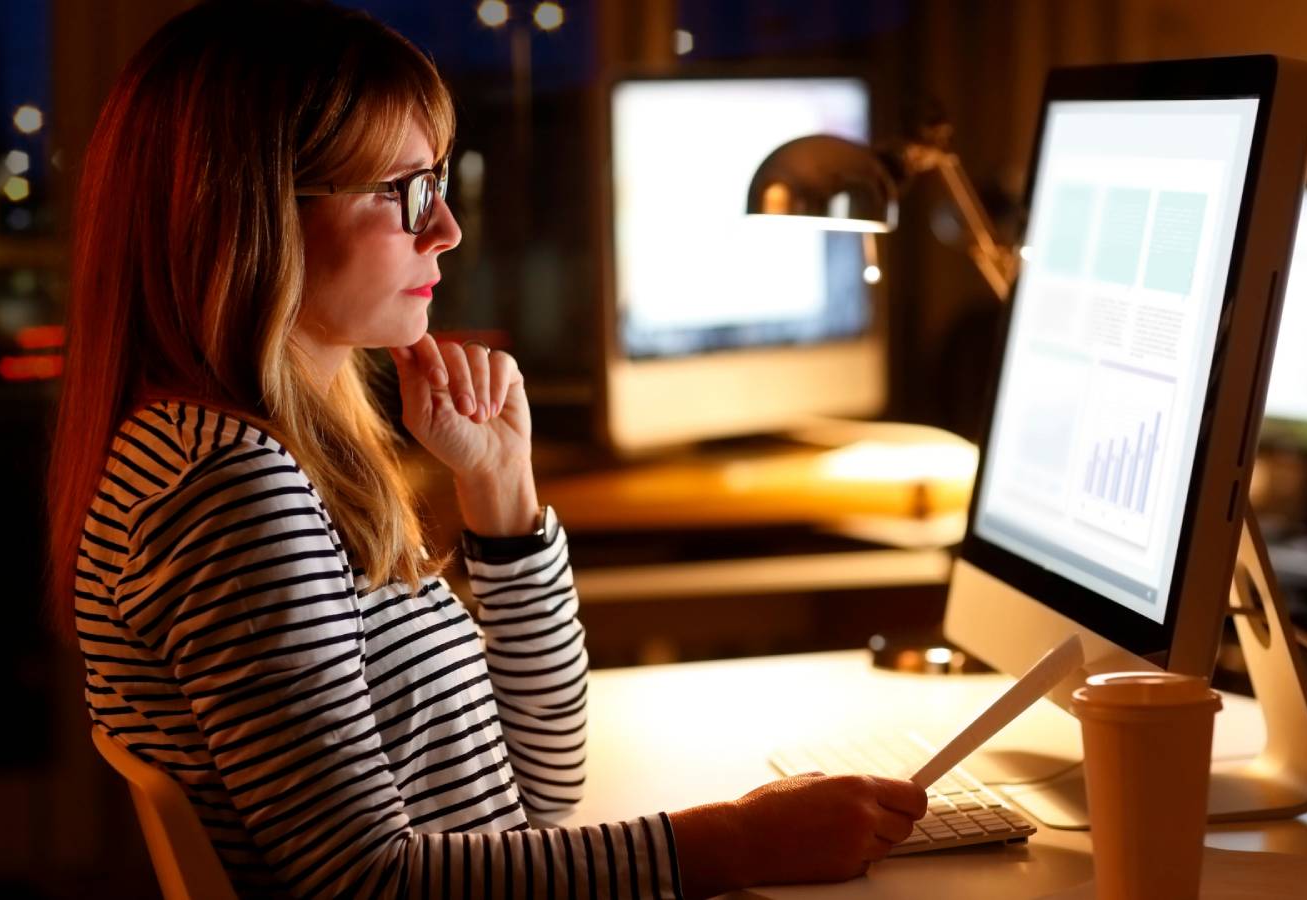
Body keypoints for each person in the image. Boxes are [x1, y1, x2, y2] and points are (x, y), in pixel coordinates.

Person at [46, 1, 929, 896]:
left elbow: (540, 787)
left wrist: (501, 493)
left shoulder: (267, 456)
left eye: (437, 183)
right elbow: (367, 884)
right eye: (404, 192)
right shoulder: (230, 491)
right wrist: (736, 843)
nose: (445, 231)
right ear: (252, 214)